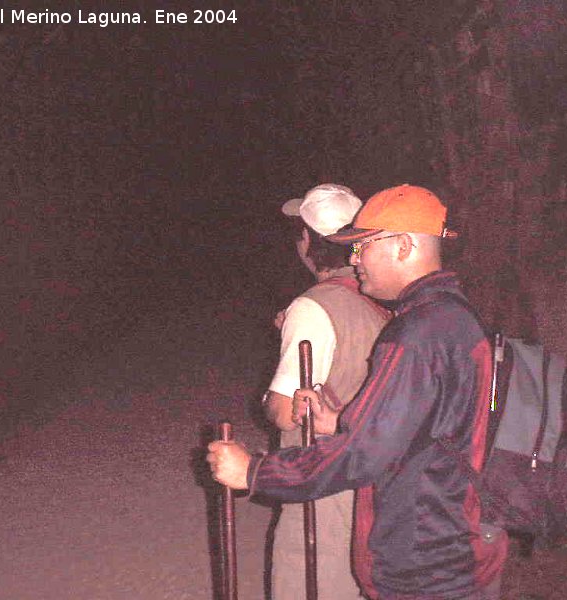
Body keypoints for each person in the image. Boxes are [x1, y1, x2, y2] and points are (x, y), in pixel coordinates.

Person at [209, 184, 508, 600]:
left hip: (431, 563)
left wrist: (253, 472)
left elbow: (364, 456)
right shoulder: (453, 316)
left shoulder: (417, 333)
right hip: (456, 541)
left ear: (403, 246)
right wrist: (344, 422)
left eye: (364, 246)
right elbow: (427, 428)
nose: (354, 258)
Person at [265, 184, 390, 600]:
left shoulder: (313, 307)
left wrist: (269, 401)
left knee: (308, 581)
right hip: (373, 463)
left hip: (322, 471)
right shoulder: (384, 298)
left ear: (306, 242)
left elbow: (286, 413)